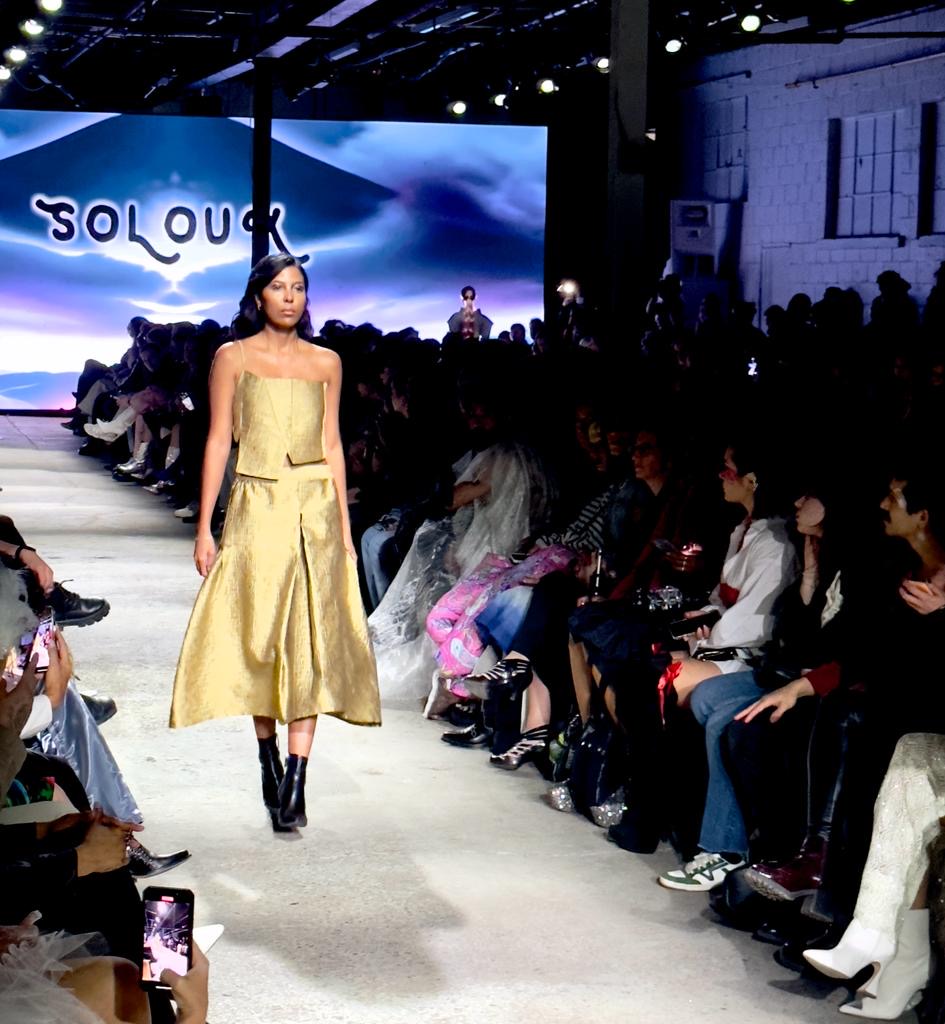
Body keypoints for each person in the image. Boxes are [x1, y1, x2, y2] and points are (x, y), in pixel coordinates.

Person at [169, 253, 381, 833]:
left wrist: (344, 529)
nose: (290, 297)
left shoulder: (327, 362)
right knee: (261, 639)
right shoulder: (232, 357)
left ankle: (296, 777)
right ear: (258, 295)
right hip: (256, 506)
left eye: (299, 287)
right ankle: (268, 756)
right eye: (279, 287)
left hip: (315, 508)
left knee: (310, 640)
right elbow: (218, 441)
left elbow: (332, 444)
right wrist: (205, 528)